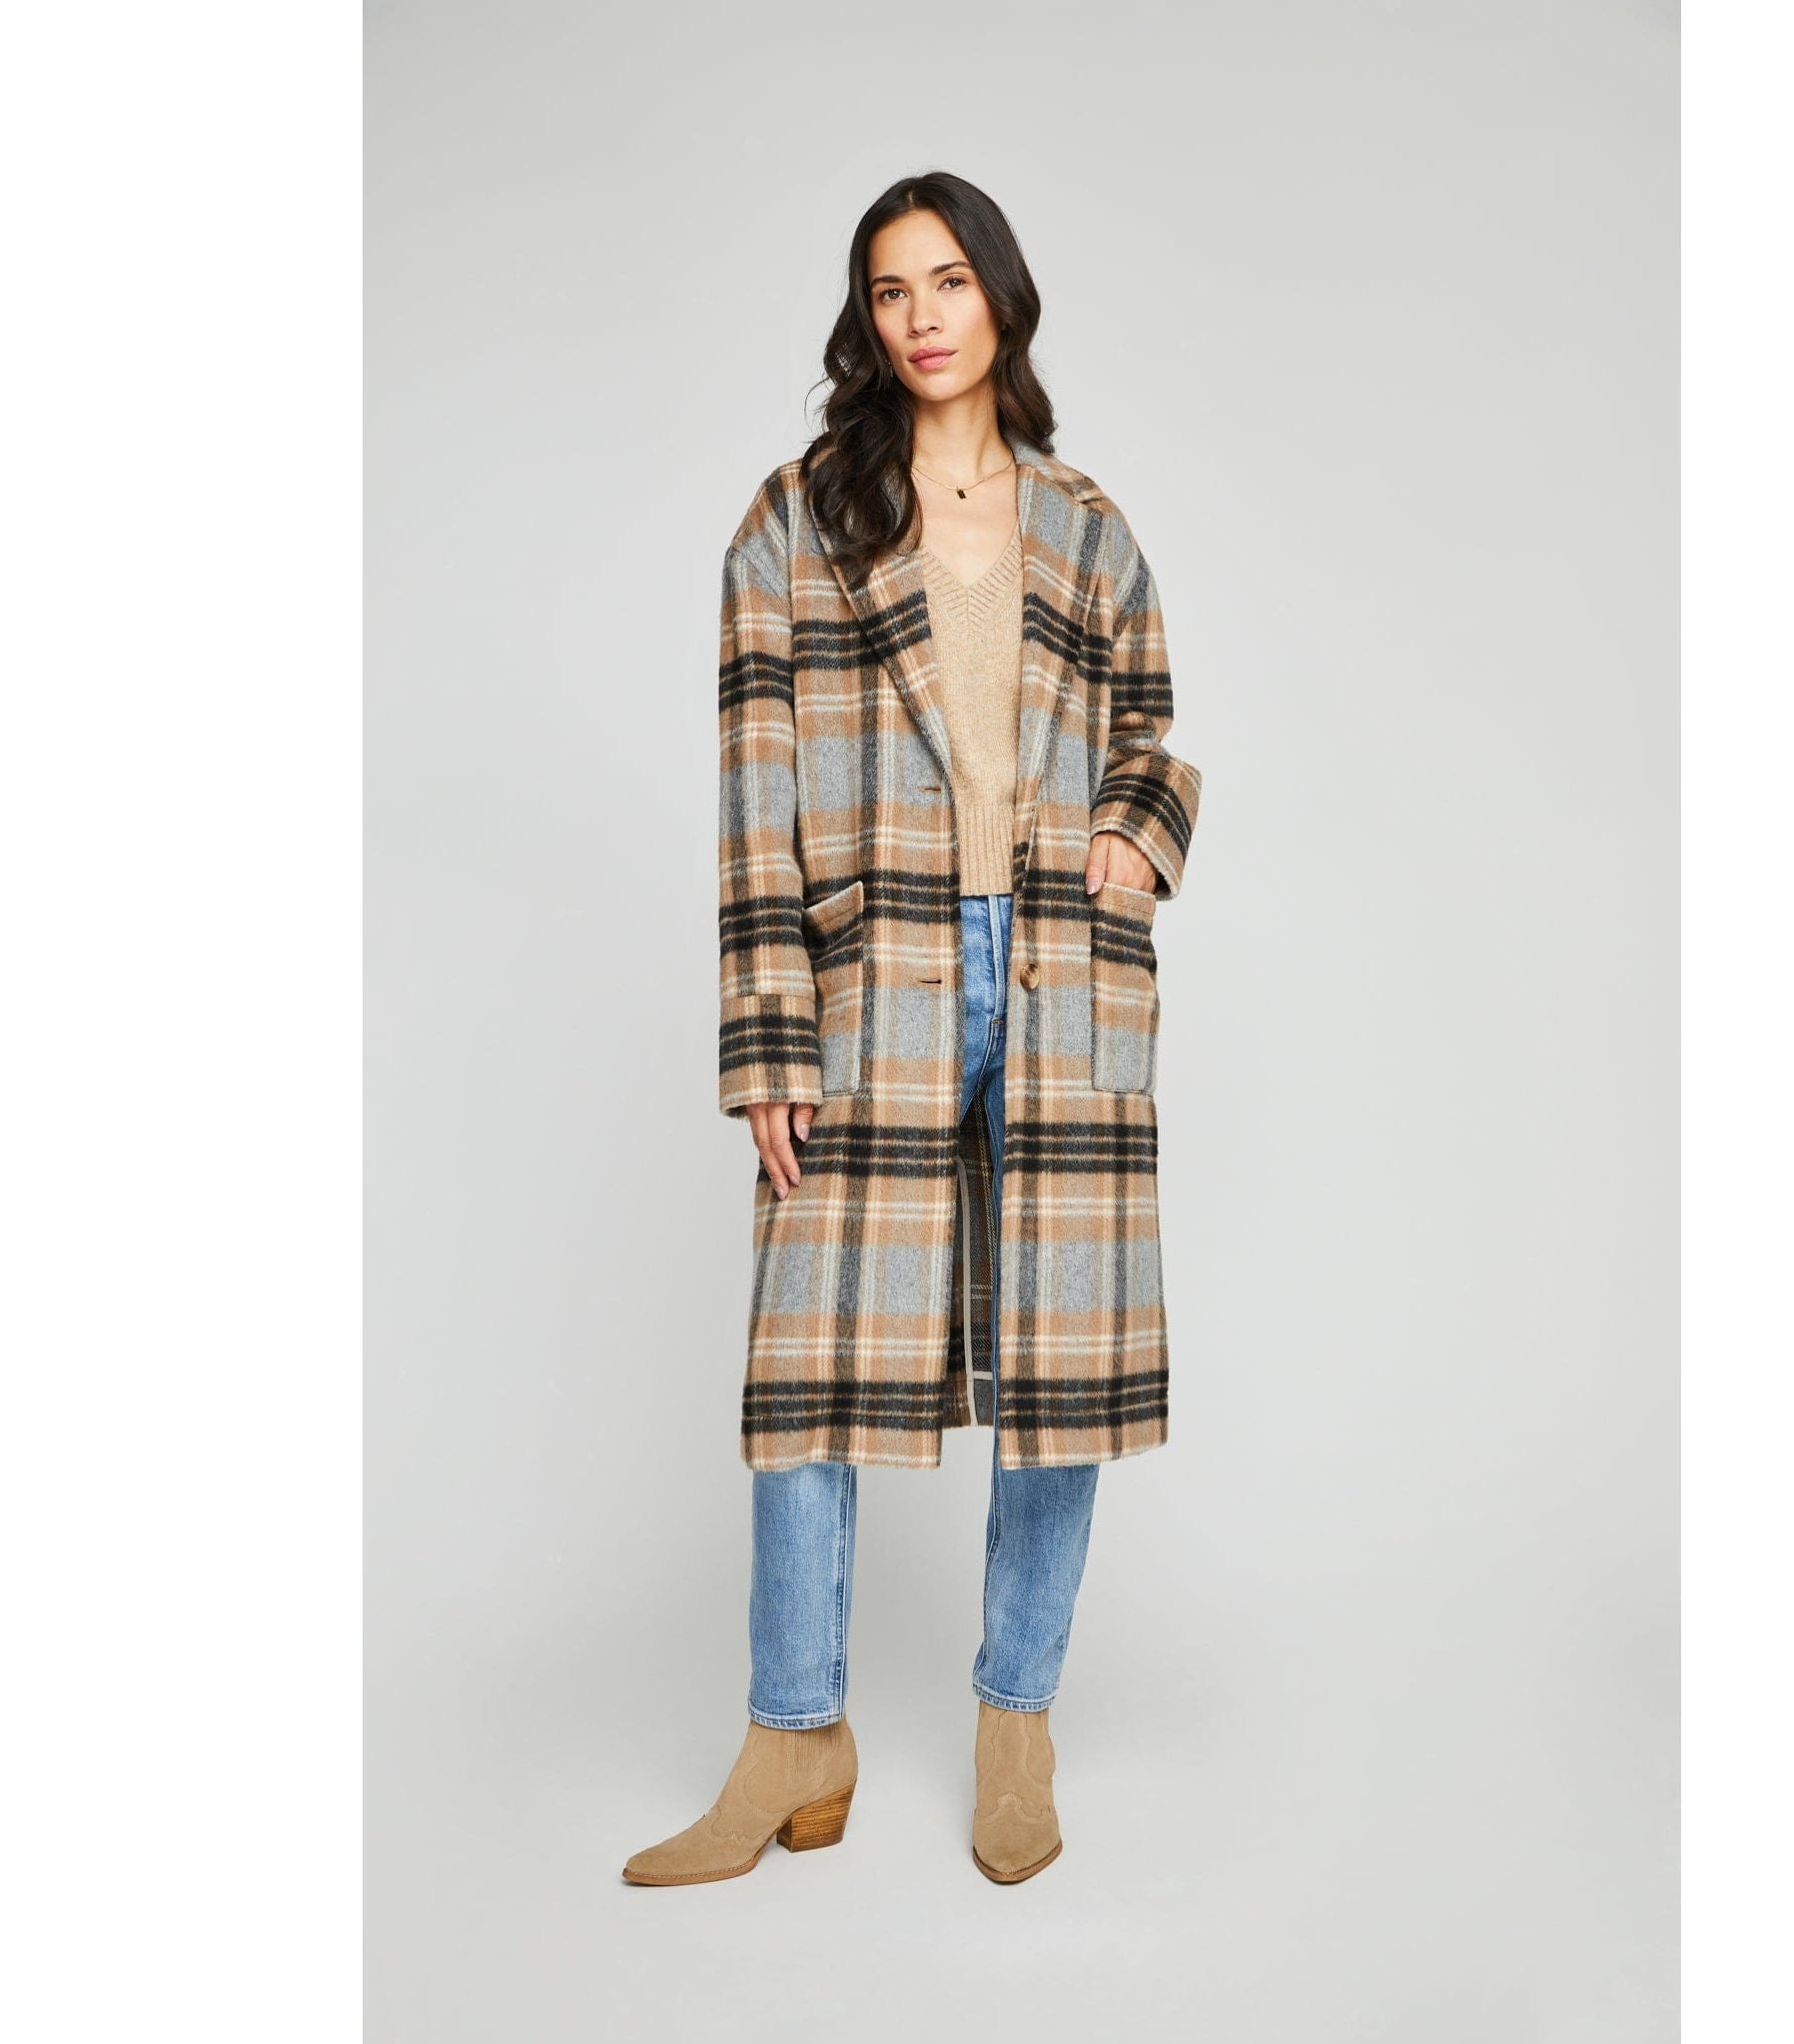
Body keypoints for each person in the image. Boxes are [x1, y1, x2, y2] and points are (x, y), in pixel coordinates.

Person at [624, 170, 1202, 1889]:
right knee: (807, 1367)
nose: (922, 316)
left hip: (1060, 969)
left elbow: (1155, 734)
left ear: (1000, 298)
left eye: (948, 280)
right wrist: (766, 1036)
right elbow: (756, 790)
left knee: (1060, 1372)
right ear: (864, 320)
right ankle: (794, 1733)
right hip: (870, 969)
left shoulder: (1086, 527)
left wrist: (1136, 838)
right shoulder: (797, 520)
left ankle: (1016, 1720)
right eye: (890, 290)